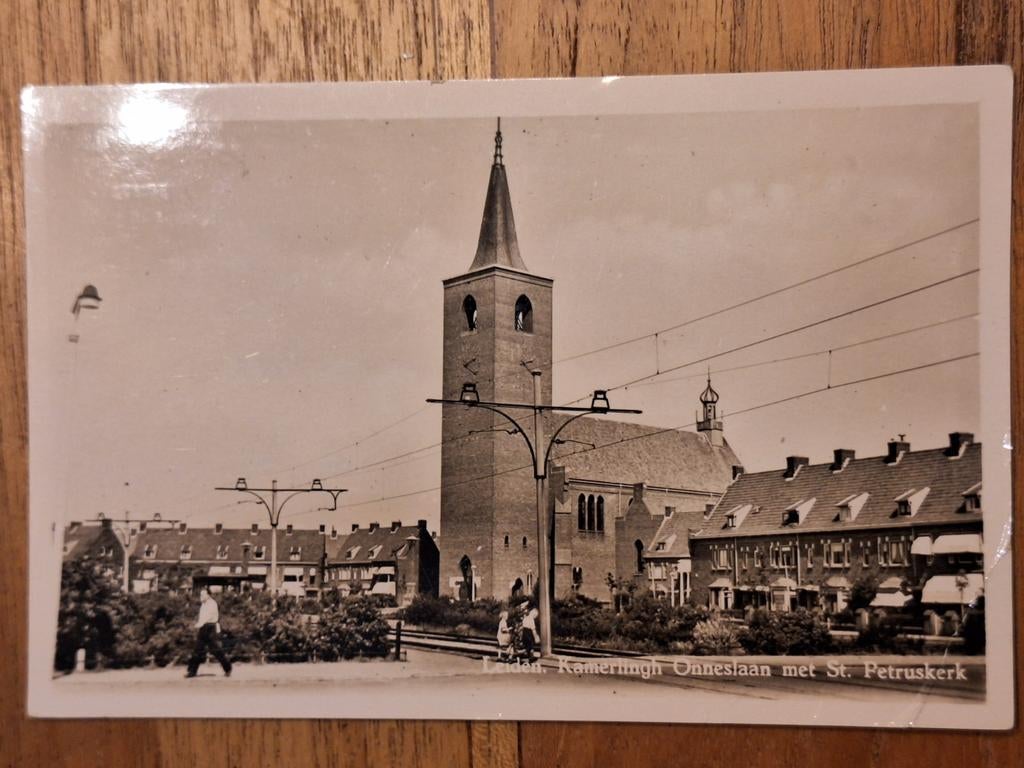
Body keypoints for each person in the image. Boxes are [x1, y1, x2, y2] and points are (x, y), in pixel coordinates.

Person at [185, 587, 232, 678]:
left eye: (203, 594)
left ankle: (228, 668)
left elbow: (209, 617)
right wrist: (199, 624)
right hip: (203, 628)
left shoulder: (212, 604)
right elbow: (202, 617)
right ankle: (192, 671)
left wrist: (199, 624)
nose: (201, 596)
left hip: (210, 628)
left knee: (216, 650)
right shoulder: (203, 604)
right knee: (197, 650)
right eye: (200, 594)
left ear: (208, 595)